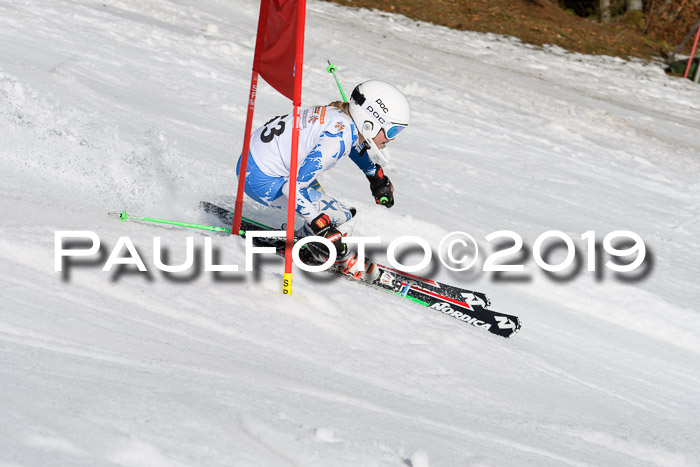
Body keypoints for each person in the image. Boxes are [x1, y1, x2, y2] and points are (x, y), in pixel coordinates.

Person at [236, 80, 410, 277]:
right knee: (341, 218)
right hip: (262, 181)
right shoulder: (337, 139)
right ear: (370, 122)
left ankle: (310, 238)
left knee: (321, 204)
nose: (392, 138)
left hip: (254, 165)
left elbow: (353, 145)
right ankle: (329, 255)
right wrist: (322, 227)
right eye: (392, 130)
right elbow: (292, 188)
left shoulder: (341, 119)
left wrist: (375, 176)